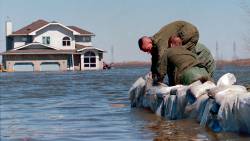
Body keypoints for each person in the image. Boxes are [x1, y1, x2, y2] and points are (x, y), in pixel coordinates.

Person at [138, 20, 215, 85]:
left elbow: (161, 59)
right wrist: (153, 74)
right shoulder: (157, 45)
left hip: (189, 35)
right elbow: (156, 60)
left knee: (172, 63)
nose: (148, 52)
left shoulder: (161, 43)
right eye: (146, 51)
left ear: (149, 41)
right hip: (199, 69)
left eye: (147, 49)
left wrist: (159, 81)